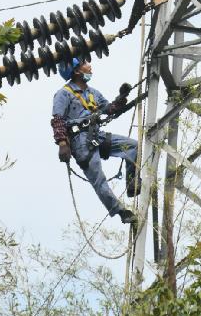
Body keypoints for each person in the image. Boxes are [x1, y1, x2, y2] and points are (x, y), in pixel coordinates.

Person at [50, 57, 139, 224]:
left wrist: (121, 98)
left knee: (133, 146)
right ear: (77, 71)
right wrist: (63, 143)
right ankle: (120, 211)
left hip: (97, 135)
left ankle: (132, 183)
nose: (89, 66)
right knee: (98, 178)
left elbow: (109, 109)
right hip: (80, 142)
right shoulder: (63, 94)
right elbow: (58, 120)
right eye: (85, 64)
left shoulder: (93, 93)